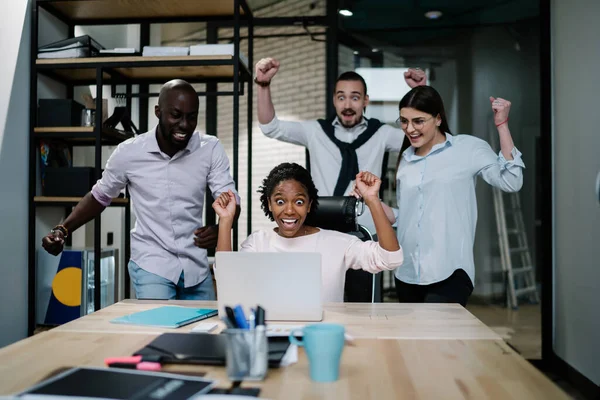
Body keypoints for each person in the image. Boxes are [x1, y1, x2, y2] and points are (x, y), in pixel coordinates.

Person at [41, 79, 240, 300]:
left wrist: (222, 227)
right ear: (158, 112)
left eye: (191, 117)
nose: (184, 124)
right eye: (176, 115)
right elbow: (99, 197)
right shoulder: (129, 153)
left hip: (196, 266)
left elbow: (230, 200)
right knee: (158, 332)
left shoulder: (209, 148)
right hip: (152, 264)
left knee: (206, 330)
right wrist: (62, 229)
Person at [385, 85, 523, 306]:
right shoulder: (405, 160)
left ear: (438, 119)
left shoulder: (467, 148)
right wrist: (370, 198)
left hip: (450, 272)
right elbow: (406, 217)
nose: (410, 129)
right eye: (404, 121)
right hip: (407, 273)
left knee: (438, 339)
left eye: (418, 121)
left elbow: (511, 181)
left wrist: (502, 125)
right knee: (415, 342)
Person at [212, 163, 404, 302]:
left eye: (299, 202)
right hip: (272, 332)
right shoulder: (258, 242)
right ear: (269, 204)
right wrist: (225, 221)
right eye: (280, 201)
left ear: (310, 205)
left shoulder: (338, 242)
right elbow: (227, 280)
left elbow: (391, 259)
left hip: (324, 332)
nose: (289, 211)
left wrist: (371, 200)